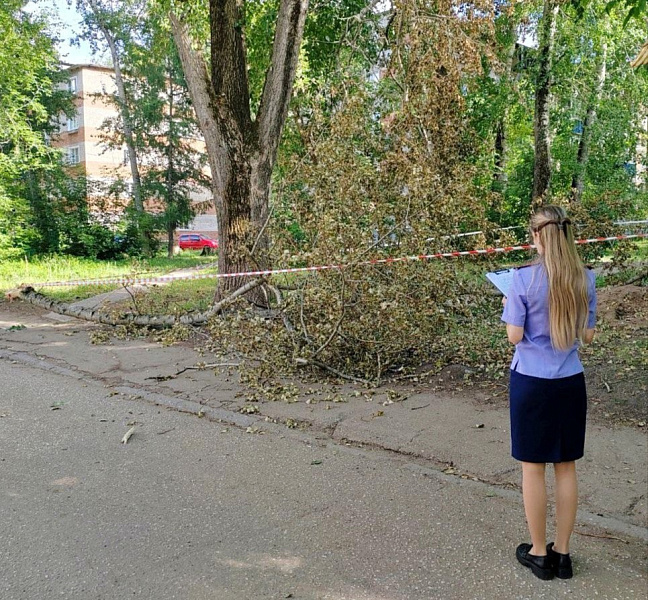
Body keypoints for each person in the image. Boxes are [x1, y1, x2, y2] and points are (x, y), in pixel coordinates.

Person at [501, 205, 597, 581]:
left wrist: (510, 306)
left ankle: (539, 554)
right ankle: (564, 554)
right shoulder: (585, 279)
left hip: (532, 383)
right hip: (570, 382)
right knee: (566, 467)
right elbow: (587, 337)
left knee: (533, 469)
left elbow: (515, 336)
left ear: (538, 237)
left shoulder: (520, 280)